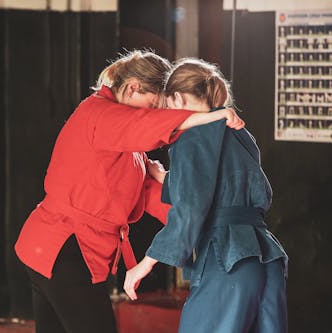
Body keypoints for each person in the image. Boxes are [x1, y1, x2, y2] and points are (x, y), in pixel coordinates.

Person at [14, 50, 245, 333]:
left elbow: (148, 193)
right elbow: (145, 126)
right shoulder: (99, 114)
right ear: (133, 87)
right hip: (63, 249)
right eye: (153, 105)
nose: (156, 114)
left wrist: (206, 224)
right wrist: (211, 116)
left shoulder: (128, 144)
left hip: (55, 249)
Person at [123, 58, 288, 333]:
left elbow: (190, 207)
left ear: (175, 98)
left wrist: (145, 264)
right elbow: (220, 184)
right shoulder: (239, 133)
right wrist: (163, 177)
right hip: (265, 257)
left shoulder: (192, 137)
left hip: (227, 258)